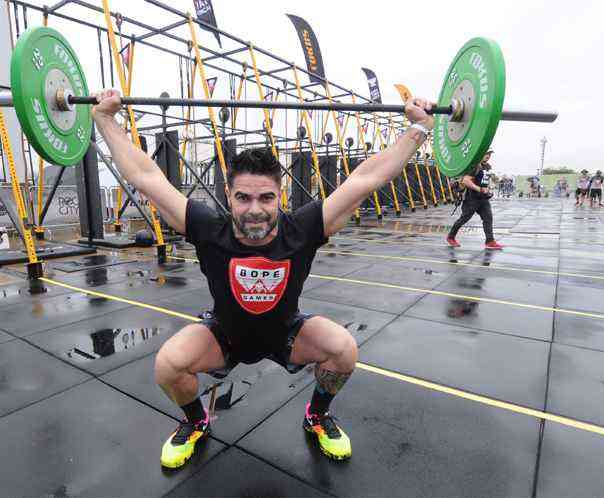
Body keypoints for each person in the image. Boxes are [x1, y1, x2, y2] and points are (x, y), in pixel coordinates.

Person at [92, 89, 436, 468]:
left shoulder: (303, 227)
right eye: (243, 198)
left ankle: (316, 416)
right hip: (225, 336)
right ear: (229, 195)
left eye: (266, 199)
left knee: (344, 350)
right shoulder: (208, 227)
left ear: (280, 195)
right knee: (167, 365)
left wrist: (418, 129)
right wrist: (106, 120)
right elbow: (145, 176)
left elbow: (365, 179)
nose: (254, 210)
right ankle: (195, 421)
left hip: (285, 334)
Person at [446, 151, 503, 250]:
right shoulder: (475, 166)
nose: (488, 156)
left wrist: (488, 189)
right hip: (471, 198)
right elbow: (465, 181)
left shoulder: (486, 167)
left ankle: (490, 241)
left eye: (489, 154)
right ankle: (450, 237)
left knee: (488, 218)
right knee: (464, 219)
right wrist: (479, 189)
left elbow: (483, 181)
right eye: (486, 154)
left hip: (483, 199)